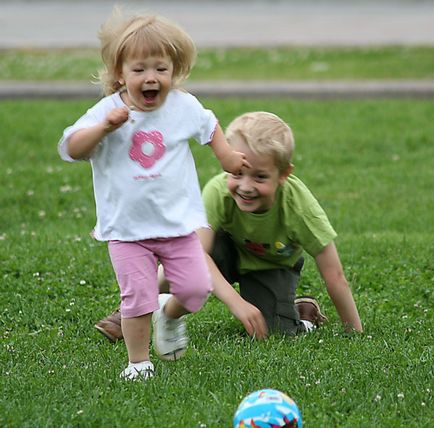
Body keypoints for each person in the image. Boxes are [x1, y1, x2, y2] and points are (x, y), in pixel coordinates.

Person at [58, 7, 250, 381]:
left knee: (196, 290)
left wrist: (226, 156)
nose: (151, 78)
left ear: (174, 71)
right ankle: (138, 363)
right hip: (128, 230)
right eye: (139, 69)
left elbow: (209, 126)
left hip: (177, 225)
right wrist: (103, 129)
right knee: (137, 298)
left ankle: (171, 315)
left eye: (160, 69)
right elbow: (72, 148)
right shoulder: (107, 111)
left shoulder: (183, 106)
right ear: (119, 74)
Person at [96, 111, 363, 343]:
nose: (246, 187)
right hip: (225, 250)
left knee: (275, 333)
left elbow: (334, 275)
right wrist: (237, 304)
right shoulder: (218, 191)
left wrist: (355, 332)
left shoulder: (300, 208)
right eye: (237, 173)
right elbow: (196, 253)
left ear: (283, 174)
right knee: (178, 262)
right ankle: (130, 313)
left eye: (260, 177)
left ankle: (303, 312)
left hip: (272, 264)